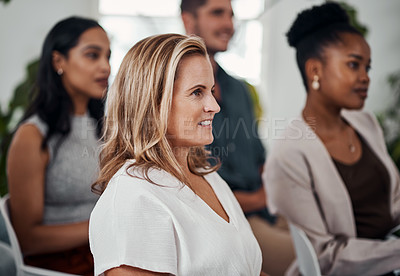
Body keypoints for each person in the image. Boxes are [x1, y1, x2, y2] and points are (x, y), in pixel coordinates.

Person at [89, 33, 264, 276]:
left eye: (211, 90)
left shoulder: (208, 176)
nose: (214, 106)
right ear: (152, 102)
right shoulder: (133, 199)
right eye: (197, 92)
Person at [264, 2, 400, 275]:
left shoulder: (365, 123)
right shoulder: (288, 156)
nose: (365, 78)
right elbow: (325, 258)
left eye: (367, 68)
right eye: (354, 65)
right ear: (315, 71)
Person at [180, 0, 294, 275]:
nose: (229, 24)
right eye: (217, 13)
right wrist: (258, 199)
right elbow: (188, 192)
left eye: (231, 15)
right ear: (188, 20)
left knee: (329, 238)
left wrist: (272, 192)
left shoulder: (240, 90)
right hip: (226, 222)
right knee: (312, 259)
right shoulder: (170, 95)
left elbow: (259, 157)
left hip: (266, 211)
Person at [6, 16, 111, 275]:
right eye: (92, 55)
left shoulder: (102, 126)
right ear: (58, 61)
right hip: (63, 264)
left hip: (104, 250)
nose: (106, 67)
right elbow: (28, 239)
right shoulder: (32, 136)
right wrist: (106, 225)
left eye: (108, 56)